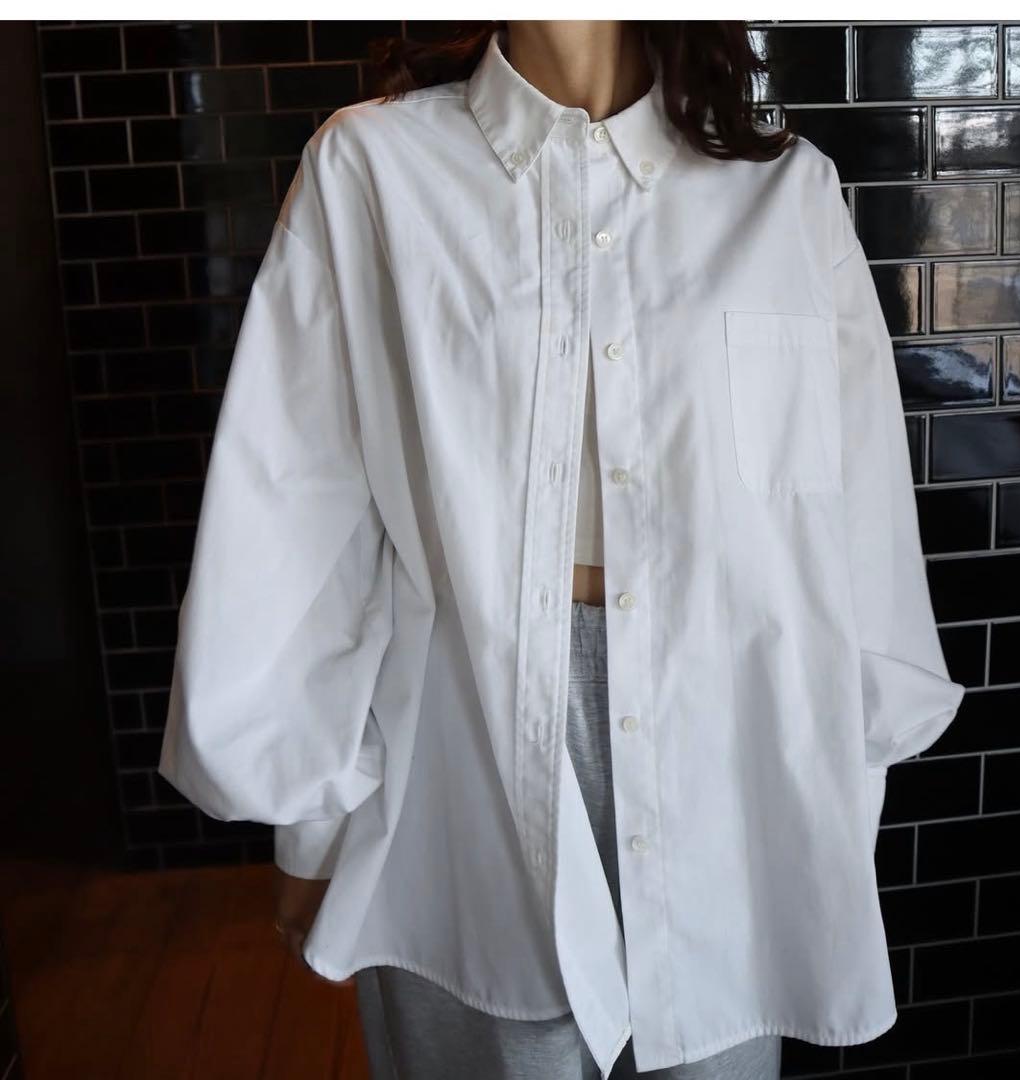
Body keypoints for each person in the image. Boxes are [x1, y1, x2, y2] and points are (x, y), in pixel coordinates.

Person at [158, 19, 966, 1080]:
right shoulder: (373, 169)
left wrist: (838, 801)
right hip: (464, 757)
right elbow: (303, 510)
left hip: (734, 757)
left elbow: (853, 524)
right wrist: (309, 821)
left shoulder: (783, 194)